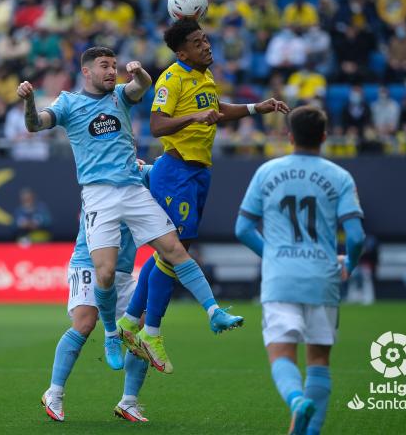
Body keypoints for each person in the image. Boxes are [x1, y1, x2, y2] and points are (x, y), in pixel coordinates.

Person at [17, 46, 243, 375]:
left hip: (134, 188)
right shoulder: (68, 102)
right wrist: (27, 101)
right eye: (104, 66)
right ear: (87, 72)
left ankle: (213, 312)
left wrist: (138, 73)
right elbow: (36, 124)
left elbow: (143, 86)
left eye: (114, 65)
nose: (112, 71)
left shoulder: (121, 95)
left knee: (174, 250)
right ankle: (111, 333)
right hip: (99, 195)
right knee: (105, 273)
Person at [117, 19, 288, 373]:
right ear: (182, 52)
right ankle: (150, 330)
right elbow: (158, 125)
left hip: (198, 173)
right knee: (173, 253)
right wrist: (196, 116)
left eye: (206, 39)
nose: (207, 46)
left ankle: (130, 321)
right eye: (198, 43)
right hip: (175, 172)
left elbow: (218, 110)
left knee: (174, 254)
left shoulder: (204, 77)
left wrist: (258, 108)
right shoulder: (171, 78)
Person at [235, 106, 365, 435]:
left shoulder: (267, 172)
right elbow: (357, 236)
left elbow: (243, 228)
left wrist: (274, 255)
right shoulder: (340, 176)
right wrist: (348, 263)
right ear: (324, 137)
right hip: (323, 277)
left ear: (289, 137)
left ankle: (295, 400)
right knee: (319, 361)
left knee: (281, 353)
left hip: (281, 279)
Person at [41, 165, 153, 424]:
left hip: (123, 268)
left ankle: (129, 403)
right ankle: (54, 393)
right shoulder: (99, 173)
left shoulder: (144, 174)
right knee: (85, 322)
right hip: (89, 261)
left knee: (143, 329)